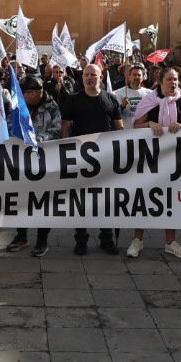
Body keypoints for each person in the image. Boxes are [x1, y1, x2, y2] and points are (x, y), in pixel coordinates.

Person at [128, 67, 181, 260]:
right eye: (169, 79)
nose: (173, 83)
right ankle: (137, 241)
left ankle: (171, 242)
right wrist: (149, 124)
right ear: (160, 81)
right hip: (150, 159)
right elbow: (135, 126)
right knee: (146, 197)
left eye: (175, 79)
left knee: (171, 199)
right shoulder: (149, 101)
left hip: (176, 159)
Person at [62, 62, 125, 256]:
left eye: (93, 75)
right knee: (81, 202)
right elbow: (65, 127)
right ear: (82, 78)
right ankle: (81, 240)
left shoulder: (111, 99)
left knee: (106, 201)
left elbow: (119, 128)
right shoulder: (73, 100)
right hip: (81, 159)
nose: (89, 77)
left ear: (100, 76)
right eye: (86, 75)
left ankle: (106, 238)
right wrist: (65, 151)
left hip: (106, 159)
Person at [8, 74, 64, 257]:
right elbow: (8, 127)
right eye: (31, 92)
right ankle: (21, 236)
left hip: (43, 162)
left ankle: (42, 240)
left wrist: (35, 141)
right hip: (20, 162)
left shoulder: (51, 107)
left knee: (43, 203)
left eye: (39, 90)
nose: (36, 95)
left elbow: (56, 131)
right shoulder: (16, 106)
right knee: (20, 200)